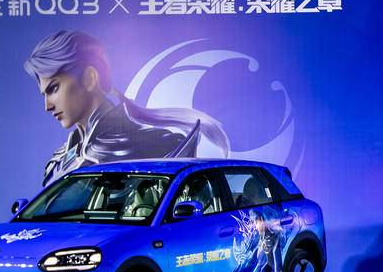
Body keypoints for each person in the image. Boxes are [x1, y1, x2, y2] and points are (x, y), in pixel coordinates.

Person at [25, 30, 230, 187]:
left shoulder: (155, 146)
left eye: (53, 88)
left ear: (89, 78)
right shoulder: (61, 158)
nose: (47, 106)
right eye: (44, 94)